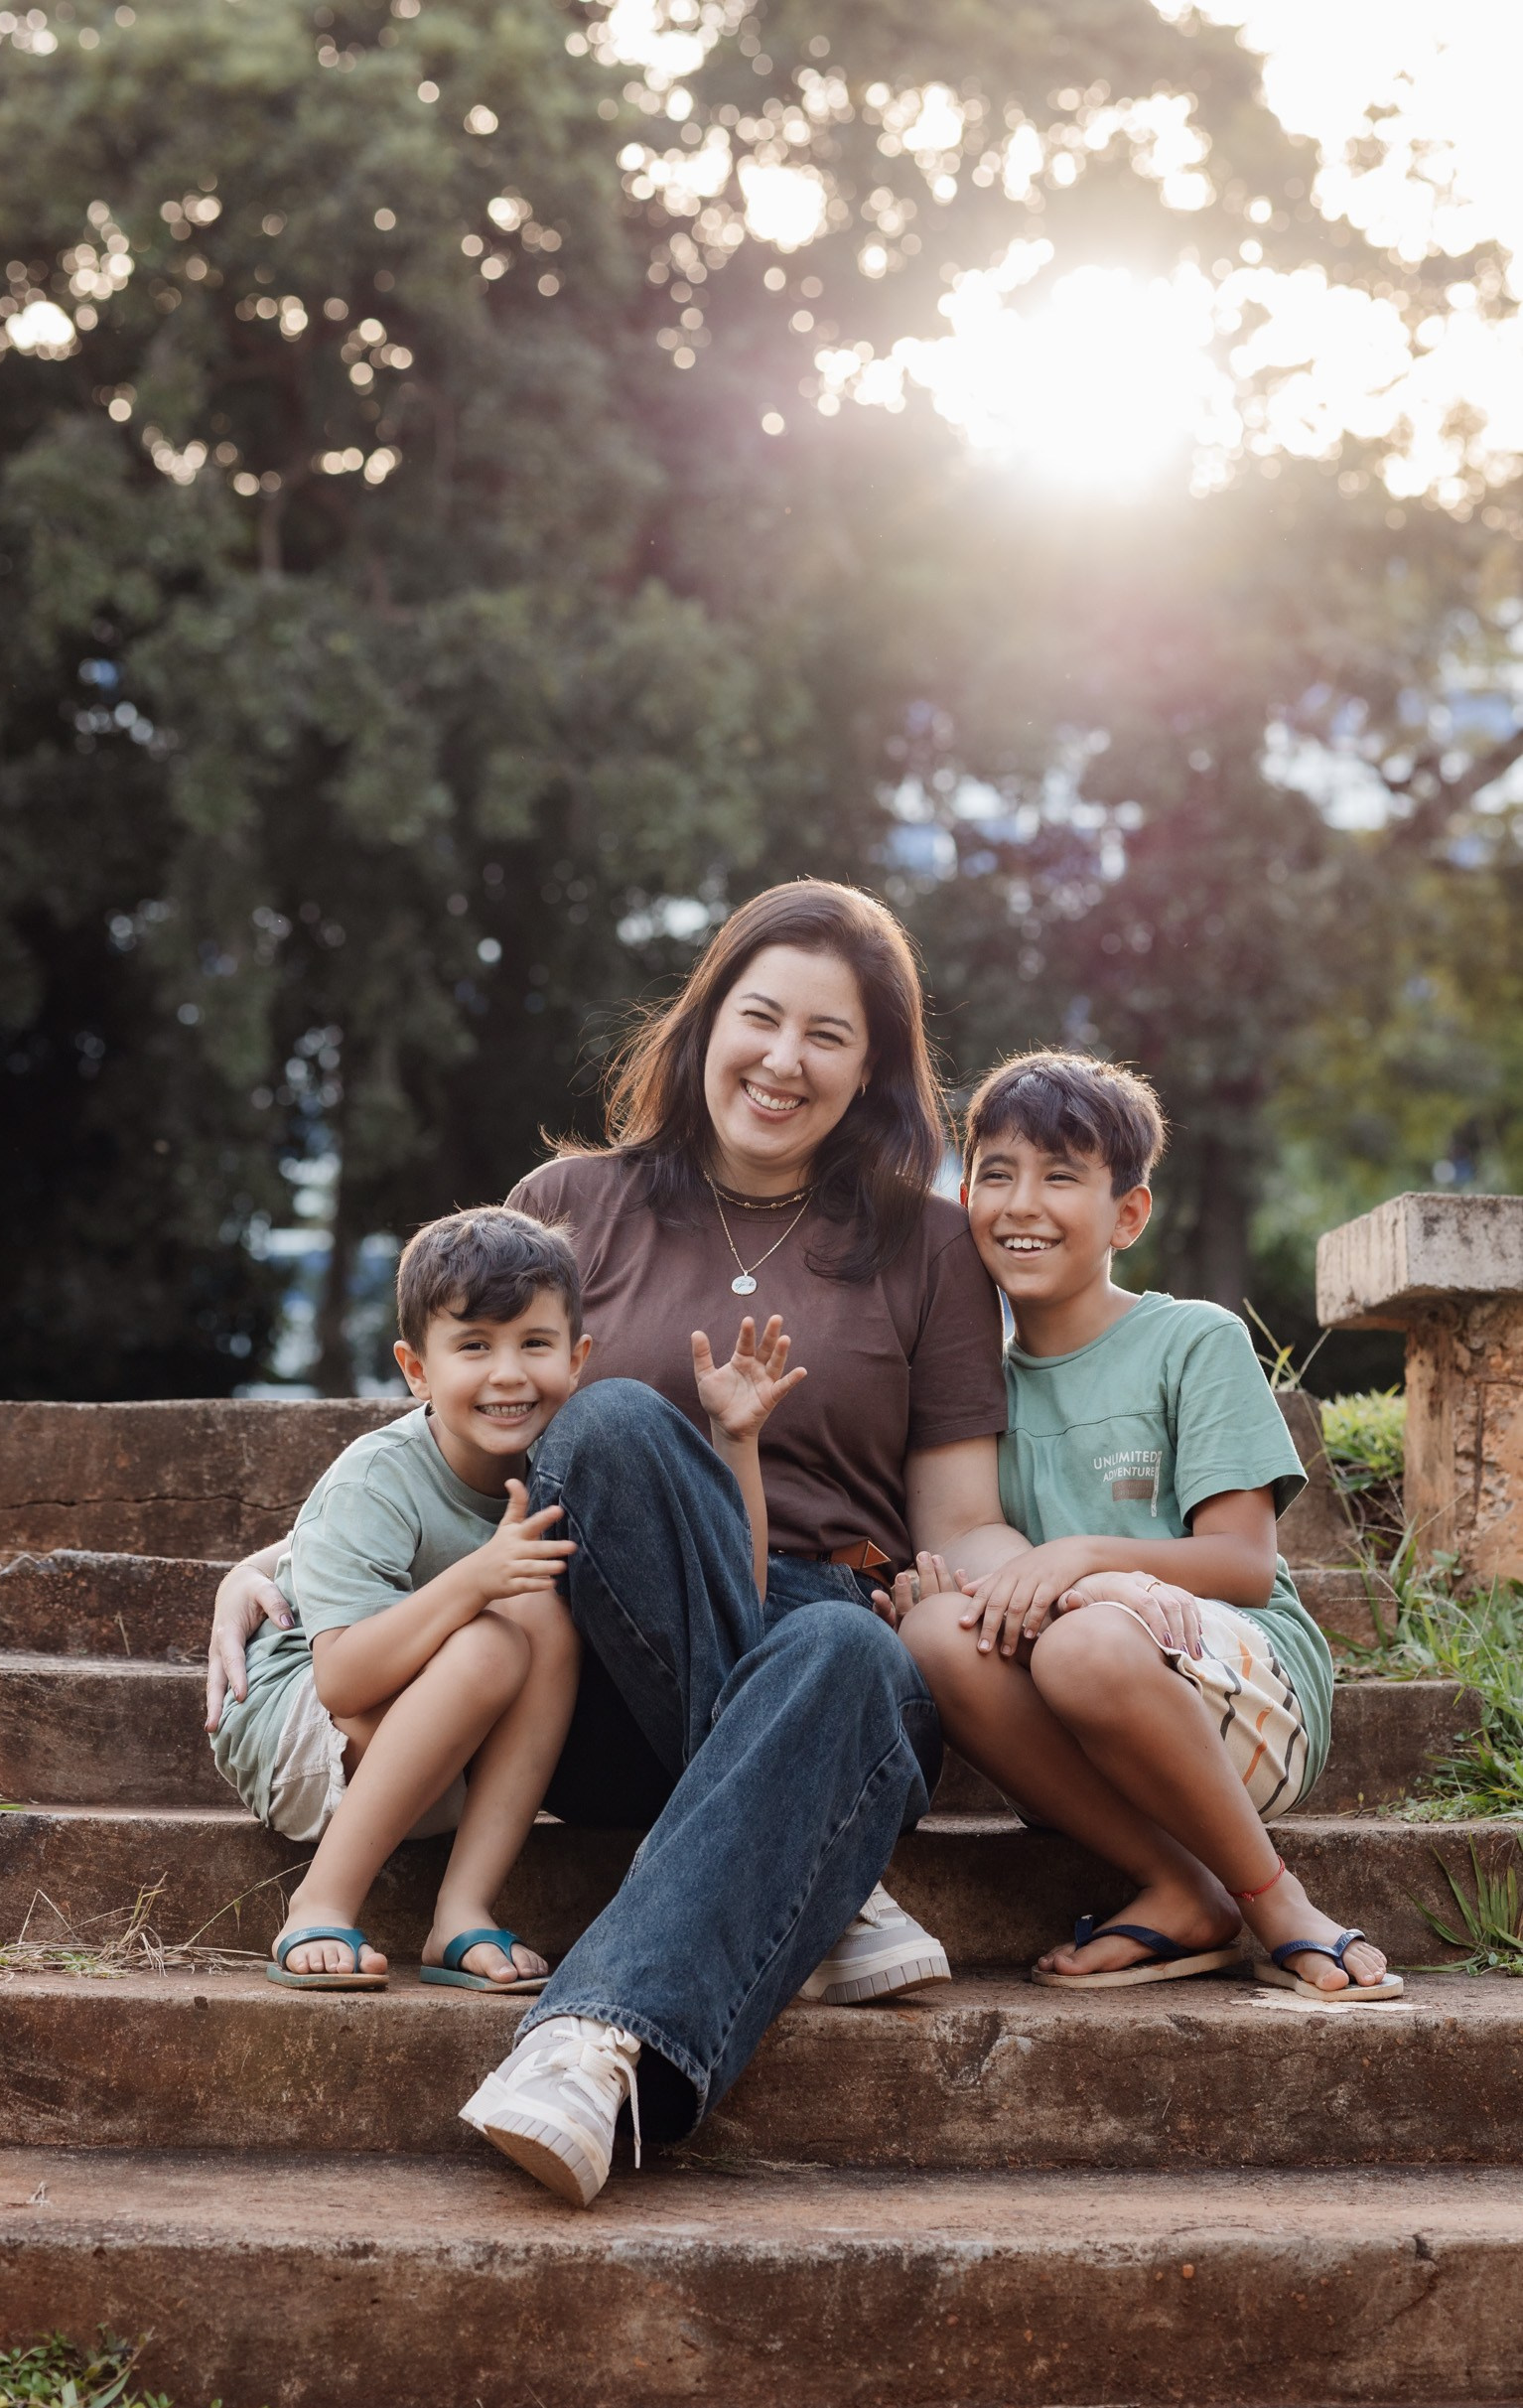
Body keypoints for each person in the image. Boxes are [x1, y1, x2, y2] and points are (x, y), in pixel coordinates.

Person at [212, 882, 1117, 2202]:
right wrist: (284, 1563)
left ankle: (588, 2049)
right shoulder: (570, 1201)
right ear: (703, 1026)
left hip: (829, 1650)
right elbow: (461, 1416)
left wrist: (1097, 1572)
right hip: (592, 1664)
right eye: (759, 1017)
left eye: (828, 1035)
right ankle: (821, 1859)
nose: (782, 1060)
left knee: (837, 1654)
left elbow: (962, 1523)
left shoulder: (926, 1243)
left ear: (872, 1068)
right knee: (616, 1426)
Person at [894, 1050, 1402, 2003]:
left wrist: (1085, 1557)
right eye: (995, 1173)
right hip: (1080, 1731)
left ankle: (1274, 1898)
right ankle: (1182, 1887)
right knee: (933, 1633)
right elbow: (972, 1557)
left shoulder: (1190, 1338)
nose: (1020, 1203)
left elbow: (1246, 1565)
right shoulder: (971, 1386)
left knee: (1085, 1643)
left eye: (1060, 1176)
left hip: (1240, 1704)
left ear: (1128, 1213)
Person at [211, 1207, 586, 1991]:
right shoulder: (377, 1477)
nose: (509, 1373)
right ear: (416, 1369)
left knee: (538, 1617)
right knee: (493, 1634)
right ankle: (320, 1900)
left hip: (442, 1755)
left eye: (535, 1344)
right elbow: (341, 1681)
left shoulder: (574, 1462)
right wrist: (475, 1579)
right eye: (474, 1346)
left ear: (578, 1358)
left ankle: (462, 1914)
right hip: (300, 1731)